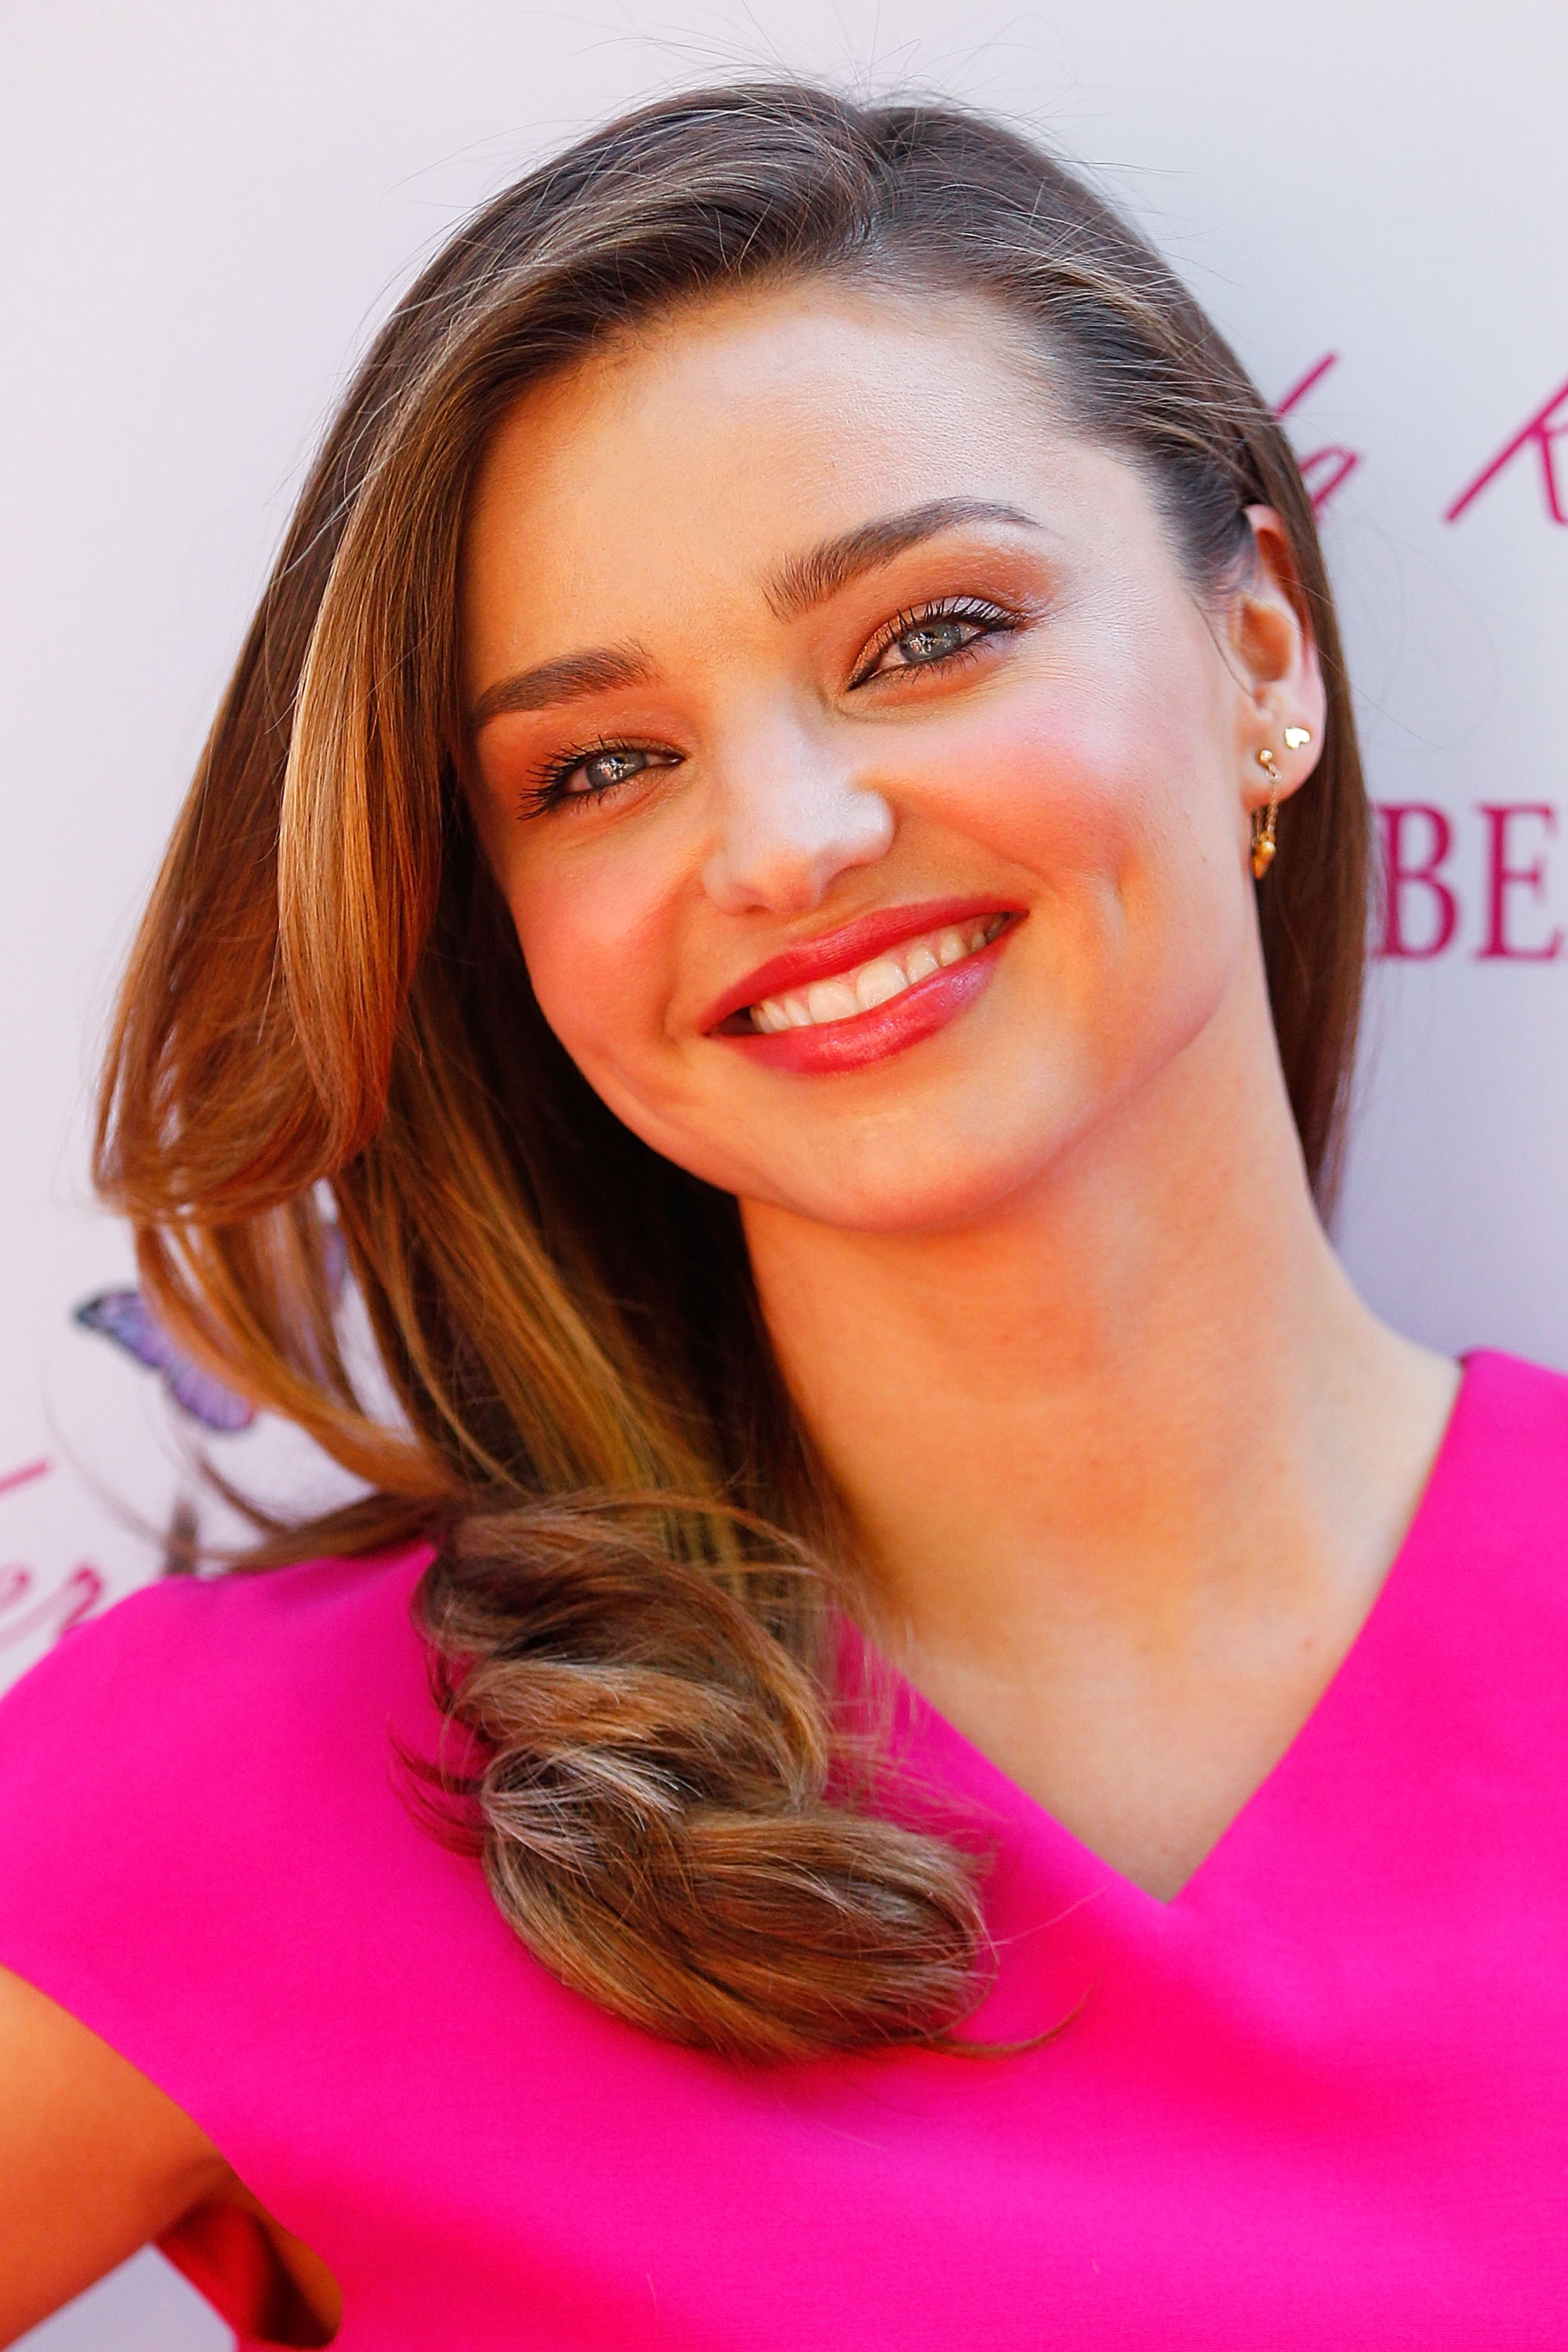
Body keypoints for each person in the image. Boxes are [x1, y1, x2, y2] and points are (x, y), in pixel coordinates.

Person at [1, 78, 1562, 2352]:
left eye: (929, 635)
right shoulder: (258, 1795)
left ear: (1261, 656)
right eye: (600, 767)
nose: (788, 838)